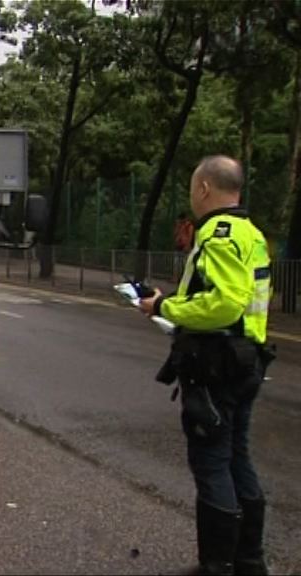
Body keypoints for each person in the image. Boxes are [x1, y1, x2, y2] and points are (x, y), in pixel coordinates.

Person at [139, 156, 274, 576]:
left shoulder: (218, 234)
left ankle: (216, 566)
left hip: (216, 366)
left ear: (203, 189)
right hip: (247, 360)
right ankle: (249, 561)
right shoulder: (253, 234)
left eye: (192, 188)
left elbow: (224, 304)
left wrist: (165, 306)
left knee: (212, 460)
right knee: (237, 456)